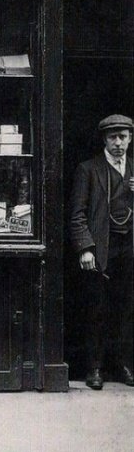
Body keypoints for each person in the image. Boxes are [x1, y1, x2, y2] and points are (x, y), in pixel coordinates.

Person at [70, 114, 134, 390]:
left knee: (126, 309)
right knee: (97, 309)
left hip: (129, 247)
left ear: (130, 139)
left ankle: (123, 365)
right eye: (113, 137)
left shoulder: (133, 168)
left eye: (123, 137)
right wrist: (85, 248)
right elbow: (77, 214)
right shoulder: (88, 169)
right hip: (101, 249)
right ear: (104, 140)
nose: (118, 143)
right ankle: (94, 367)